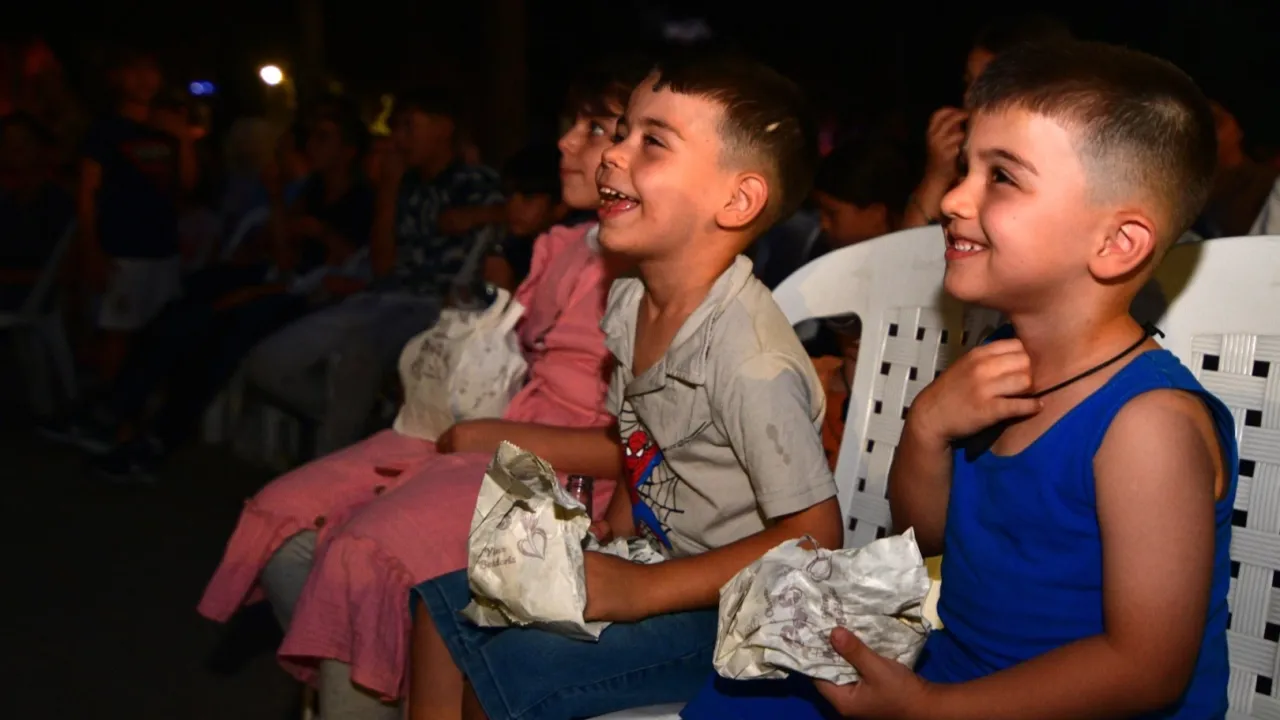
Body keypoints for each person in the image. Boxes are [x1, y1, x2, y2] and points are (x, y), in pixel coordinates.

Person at [683, 40, 1235, 720]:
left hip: (1072, 706)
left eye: (1001, 176)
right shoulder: (995, 362)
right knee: (740, 696)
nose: (951, 198)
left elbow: (1146, 670)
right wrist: (927, 428)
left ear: (1117, 243)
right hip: (957, 678)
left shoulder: (1147, 426)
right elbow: (926, 535)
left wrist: (929, 708)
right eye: (964, 167)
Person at [198, 55, 649, 720]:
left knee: (360, 555)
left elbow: (638, 447)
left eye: (596, 129)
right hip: (501, 425)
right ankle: (379, 678)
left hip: (560, 469)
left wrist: (483, 434)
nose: (565, 143)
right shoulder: (563, 242)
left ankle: (387, 686)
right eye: (571, 124)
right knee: (284, 520)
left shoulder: (654, 270)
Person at [407, 52, 844, 720]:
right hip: (654, 559)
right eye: (622, 132)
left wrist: (642, 591)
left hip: (734, 611)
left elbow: (816, 536)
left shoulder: (749, 361)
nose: (614, 154)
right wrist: (611, 531)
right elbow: (641, 436)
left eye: (652, 142)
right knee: (442, 613)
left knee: (506, 670)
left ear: (736, 200)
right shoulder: (631, 300)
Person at [60, 110, 373, 481]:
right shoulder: (312, 189)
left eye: (324, 138)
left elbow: (353, 268)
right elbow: (285, 257)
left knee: (224, 327)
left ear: (348, 151)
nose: (312, 146)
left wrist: (318, 235)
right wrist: (277, 201)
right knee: (191, 299)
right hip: (283, 279)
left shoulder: (363, 199)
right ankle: (117, 410)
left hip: (318, 296)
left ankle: (159, 437)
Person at [243, 88, 504, 457]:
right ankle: (362, 426)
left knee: (358, 355)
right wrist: (389, 188)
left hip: (437, 307)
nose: (398, 139)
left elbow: (520, 220)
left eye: (409, 127)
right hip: (382, 297)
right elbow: (382, 266)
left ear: (443, 128)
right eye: (396, 128)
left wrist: (479, 216)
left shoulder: (476, 182)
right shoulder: (404, 184)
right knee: (267, 364)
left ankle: (336, 462)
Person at [78, 48, 198, 380]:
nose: (145, 79)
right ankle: (109, 401)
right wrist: (91, 249)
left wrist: (183, 138)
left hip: (163, 246)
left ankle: (143, 402)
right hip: (121, 249)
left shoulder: (167, 128)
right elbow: (87, 192)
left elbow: (187, 185)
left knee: (160, 333)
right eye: (135, 70)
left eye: (151, 70)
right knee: (117, 333)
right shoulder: (105, 130)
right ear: (116, 77)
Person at [901, 15, 1071, 230]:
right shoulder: (964, 162)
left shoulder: (1056, 168)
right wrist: (935, 178)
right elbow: (910, 249)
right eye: (968, 83)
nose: (969, 99)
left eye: (987, 88)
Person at [0, 112, 74, 296]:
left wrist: (13, 277)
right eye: (8, 143)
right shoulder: (7, 203)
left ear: (41, 146)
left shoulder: (58, 203)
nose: (16, 149)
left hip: (39, 304)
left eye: (24, 141)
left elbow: (69, 270)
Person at [484, 142, 567, 290]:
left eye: (528, 198)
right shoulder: (513, 249)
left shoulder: (571, 258)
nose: (513, 207)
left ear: (560, 205)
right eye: (509, 196)